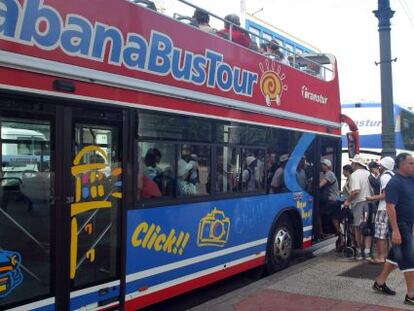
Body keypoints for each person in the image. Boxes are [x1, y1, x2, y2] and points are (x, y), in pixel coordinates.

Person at [372, 153, 414, 305]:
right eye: (411, 163)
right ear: (401, 165)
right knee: (408, 258)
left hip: (408, 224)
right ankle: (411, 295)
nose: (413, 165)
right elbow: (390, 207)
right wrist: (395, 230)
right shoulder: (395, 182)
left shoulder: (410, 179)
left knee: (394, 257)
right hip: (399, 225)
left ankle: (380, 283)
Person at [366, 156, 395, 264]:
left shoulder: (384, 177)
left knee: (380, 234)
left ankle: (381, 257)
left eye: (380, 165)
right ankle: (389, 257)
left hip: (383, 208)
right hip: (392, 208)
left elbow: (385, 194)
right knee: (389, 234)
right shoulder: (393, 175)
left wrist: (371, 198)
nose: (379, 167)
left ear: (384, 166)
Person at [344, 154, 373, 260]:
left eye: (352, 162)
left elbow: (356, 191)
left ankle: (360, 252)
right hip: (370, 203)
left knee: (358, 228)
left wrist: (347, 201)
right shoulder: (368, 173)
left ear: (356, 164)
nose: (351, 164)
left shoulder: (355, 175)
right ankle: (368, 252)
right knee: (368, 228)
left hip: (359, 203)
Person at [318, 159, 340, 237]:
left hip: (331, 200)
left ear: (327, 166)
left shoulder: (329, 174)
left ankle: (320, 232)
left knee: (318, 213)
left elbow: (320, 185)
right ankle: (340, 233)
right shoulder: (330, 174)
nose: (321, 167)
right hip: (334, 200)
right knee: (334, 217)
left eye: (322, 165)